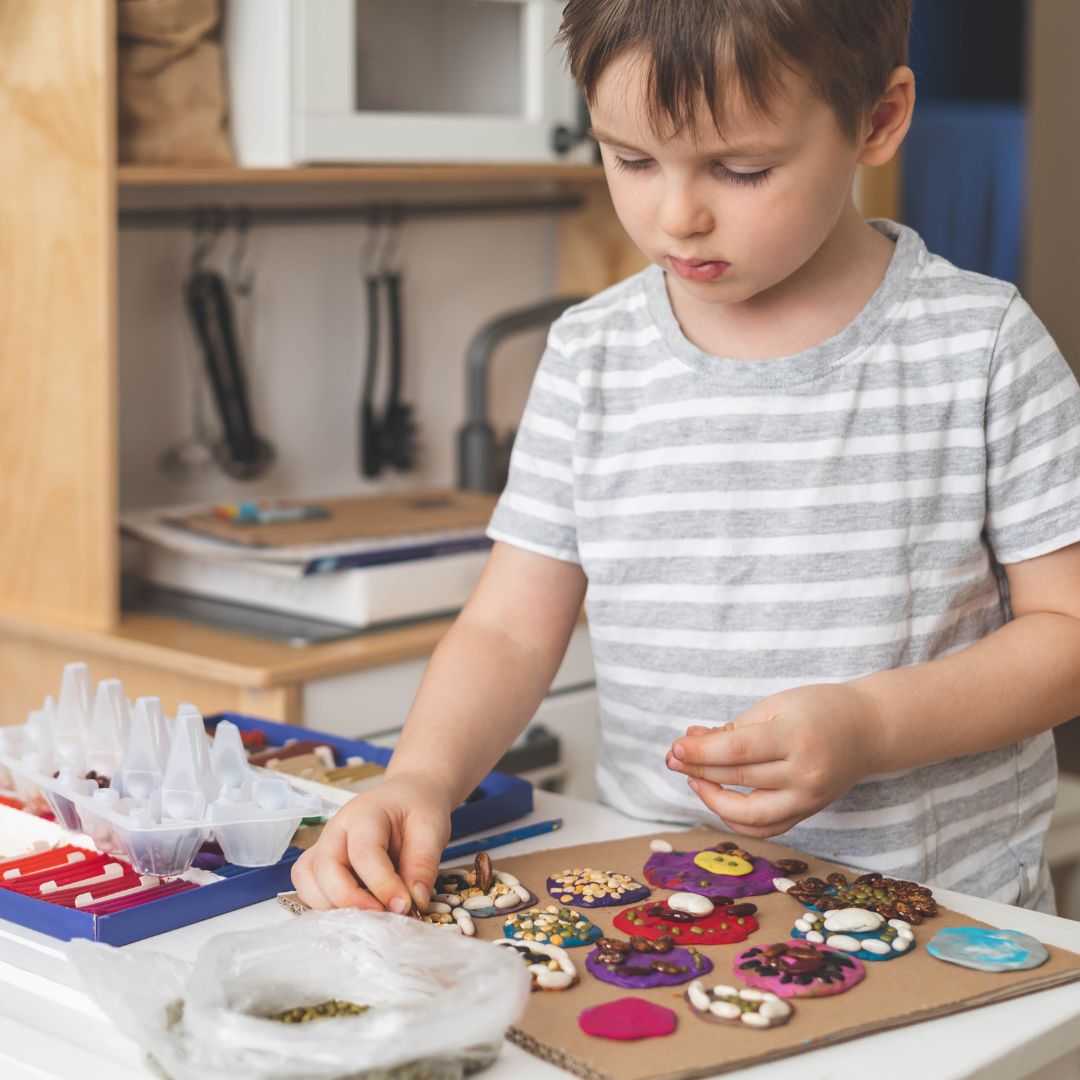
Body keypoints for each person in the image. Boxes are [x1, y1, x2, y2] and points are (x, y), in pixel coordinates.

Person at [293, 0, 1080, 915]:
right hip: (662, 902)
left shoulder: (978, 346)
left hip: (943, 914)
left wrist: (869, 726)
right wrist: (419, 779)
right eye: (630, 159)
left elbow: (1066, 635)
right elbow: (508, 628)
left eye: (740, 169)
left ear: (878, 120)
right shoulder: (591, 355)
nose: (676, 216)